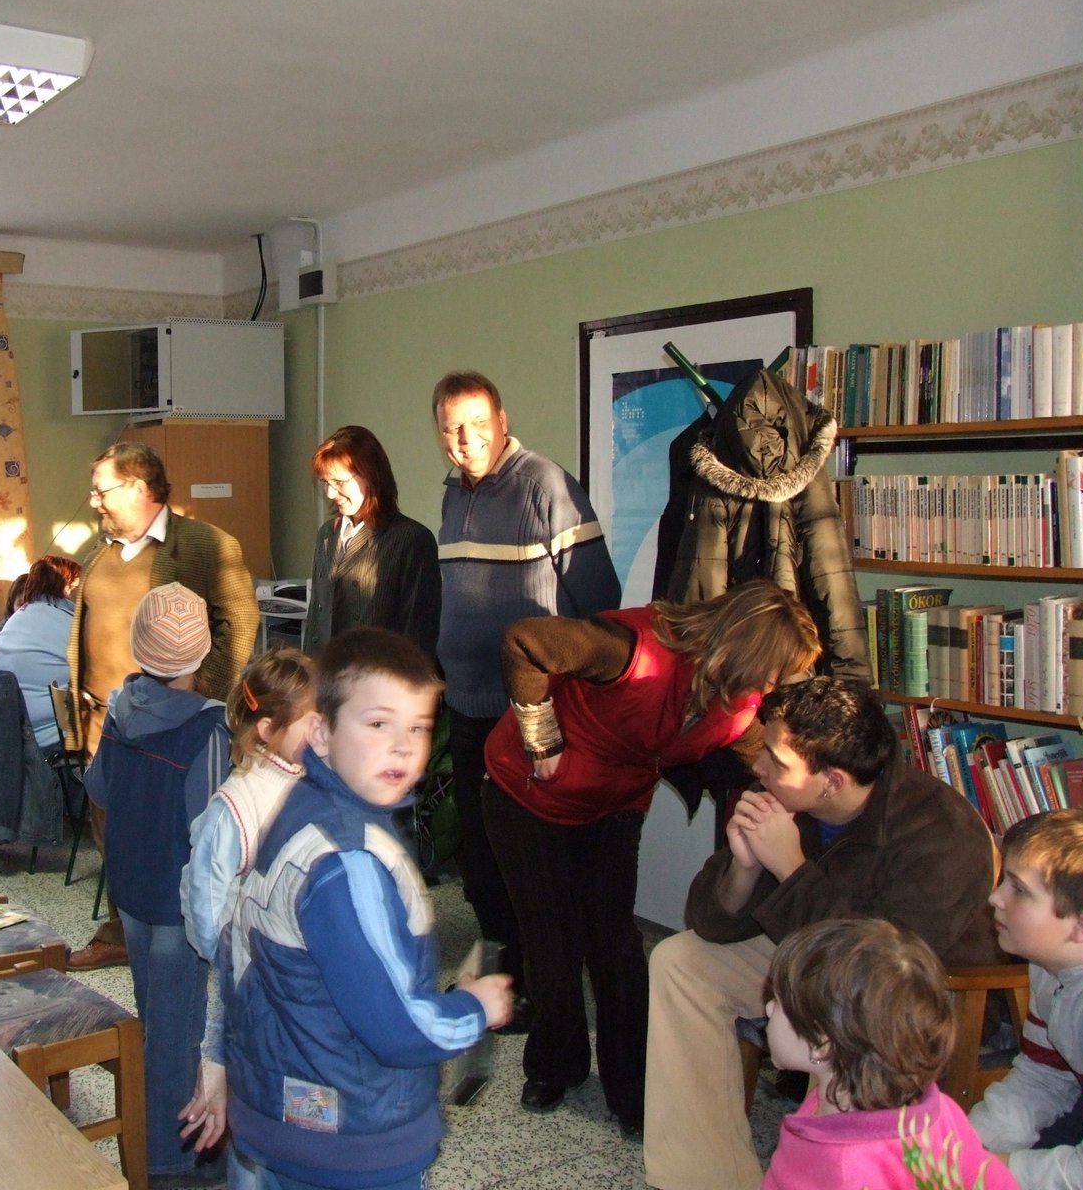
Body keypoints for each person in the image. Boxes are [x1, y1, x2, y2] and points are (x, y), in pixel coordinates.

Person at [483, 580, 822, 1130]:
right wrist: (541, 738)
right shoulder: (632, 648)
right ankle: (553, 1067)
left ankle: (633, 1091)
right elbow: (524, 641)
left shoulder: (740, 706)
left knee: (616, 946)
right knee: (552, 940)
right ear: (746, 646)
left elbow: (768, 766)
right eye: (773, 668)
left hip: (613, 807)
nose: (772, 684)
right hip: (527, 800)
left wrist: (827, 799)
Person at [642, 676, 1002, 1190]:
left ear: (831, 781)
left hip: (912, 998)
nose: (758, 767)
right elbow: (710, 923)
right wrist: (744, 868)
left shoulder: (942, 832)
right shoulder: (786, 795)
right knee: (681, 962)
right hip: (812, 951)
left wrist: (790, 867)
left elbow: (885, 972)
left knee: (840, 1003)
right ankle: (706, 1177)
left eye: (775, 760)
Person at [221, 627, 513, 1190]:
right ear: (321, 732)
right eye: (379, 724)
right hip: (350, 1138)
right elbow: (396, 1028)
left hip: (277, 1112)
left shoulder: (300, 813)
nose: (403, 745)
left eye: (419, 727)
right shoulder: (349, 864)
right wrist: (474, 1008)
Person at [433, 369, 620, 1030]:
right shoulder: (451, 494)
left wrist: (568, 701)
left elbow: (599, 604)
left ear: (503, 421)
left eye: (477, 424)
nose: (465, 440)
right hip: (467, 706)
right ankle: (506, 975)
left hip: (531, 713)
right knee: (482, 860)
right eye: (452, 428)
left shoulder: (545, 485)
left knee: (532, 866)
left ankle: (545, 990)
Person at [65, 441, 260, 971]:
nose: (94, 501)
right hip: (107, 723)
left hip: (173, 728)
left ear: (137, 487)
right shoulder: (101, 550)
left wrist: (203, 692)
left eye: (102, 490)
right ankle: (124, 930)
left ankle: (191, 933)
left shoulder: (203, 543)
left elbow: (241, 618)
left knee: (178, 838)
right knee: (113, 834)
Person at [83, 582, 233, 1186]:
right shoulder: (208, 730)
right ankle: (172, 1164)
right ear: (203, 654)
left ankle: (158, 1143)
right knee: (179, 1035)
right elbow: (213, 834)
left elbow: (97, 789)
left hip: (132, 895)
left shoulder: (120, 706)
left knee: (157, 1020)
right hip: (179, 907)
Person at [178, 647, 317, 1155]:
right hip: (255, 988)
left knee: (307, 1102)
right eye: (311, 723)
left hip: (304, 986)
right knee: (259, 1099)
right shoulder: (235, 808)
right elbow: (206, 910)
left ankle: (303, 1156)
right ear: (267, 730)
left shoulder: (311, 784)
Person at [761, 918, 1017, 1190]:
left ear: (821, 1043)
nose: (767, 1008)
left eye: (778, 1002)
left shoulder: (847, 1171)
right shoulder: (939, 1111)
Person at [971, 808, 1083, 1189]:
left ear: (1082, 927)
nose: (995, 897)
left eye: (1018, 889)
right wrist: (960, 1147)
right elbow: (1043, 1078)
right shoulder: (1052, 965)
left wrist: (982, 1172)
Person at [304, 425, 439, 657]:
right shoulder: (326, 535)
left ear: (371, 476)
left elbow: (418, 635)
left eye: (339, 482)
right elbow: (316, 620)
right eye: (325, 483)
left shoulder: (411, 539)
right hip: (324, 672)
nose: (330, 494)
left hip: (375, 674)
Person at [0, 556, 82, 752]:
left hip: (18, 735)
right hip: (57, 737)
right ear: (65, 588)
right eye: (76, 588)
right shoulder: (67, 622)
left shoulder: (14, 621)